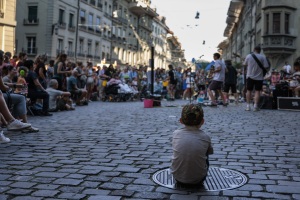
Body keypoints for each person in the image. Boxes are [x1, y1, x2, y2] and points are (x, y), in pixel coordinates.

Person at [171, 104, 213, 185]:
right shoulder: (205, 136)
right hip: (199, 179)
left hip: (177, 177)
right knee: (205, 154)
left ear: (181, 121)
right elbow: (209, 152)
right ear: (202, 121)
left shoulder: (175, 134)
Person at [243, 46, 270, 111]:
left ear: (254, 49)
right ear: (260, 50)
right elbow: (266, 67)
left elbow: (244, 64)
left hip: (250, 76)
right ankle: (255, 106)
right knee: (257, 91)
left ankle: (248, 106)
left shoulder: (249, 56)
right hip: (259, 77)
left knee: (249, 90)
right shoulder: (263, 57)